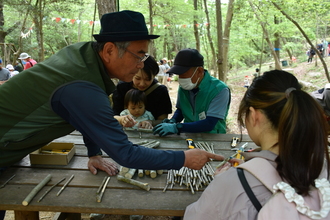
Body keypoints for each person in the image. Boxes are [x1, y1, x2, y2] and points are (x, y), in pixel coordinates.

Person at [0, 10, 223, 181]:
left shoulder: (84, 56)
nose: (140, 65)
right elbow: (125, 154)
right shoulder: (82, 85)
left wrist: (94, 152)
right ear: (108, 50)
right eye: (139, 56)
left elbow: (83, 116)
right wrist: (183, 158)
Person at [184, 70, 330, 219]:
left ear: (254, 116)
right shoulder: (323, 167)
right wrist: (252, 170)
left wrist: (228, 181)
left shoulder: (229, 186)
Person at [153, 48, 230, 136]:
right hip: (189, 136)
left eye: (184, 74)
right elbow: (181, 109)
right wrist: (173, 120)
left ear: (199, 71)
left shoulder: (219, 90)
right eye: (179, 75)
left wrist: (177, 127)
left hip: (213, 138)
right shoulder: (184, 87)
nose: (181, 79)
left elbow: (209, 123)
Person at [112, 55, 172, 127]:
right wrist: (121, 119)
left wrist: (151, 122)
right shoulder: (122, 87)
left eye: (148, 79)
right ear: (132, 74)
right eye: (137, 78)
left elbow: (163, 120)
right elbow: (114, 115)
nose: (142, 84)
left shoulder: (160, 91)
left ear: (154, 76)